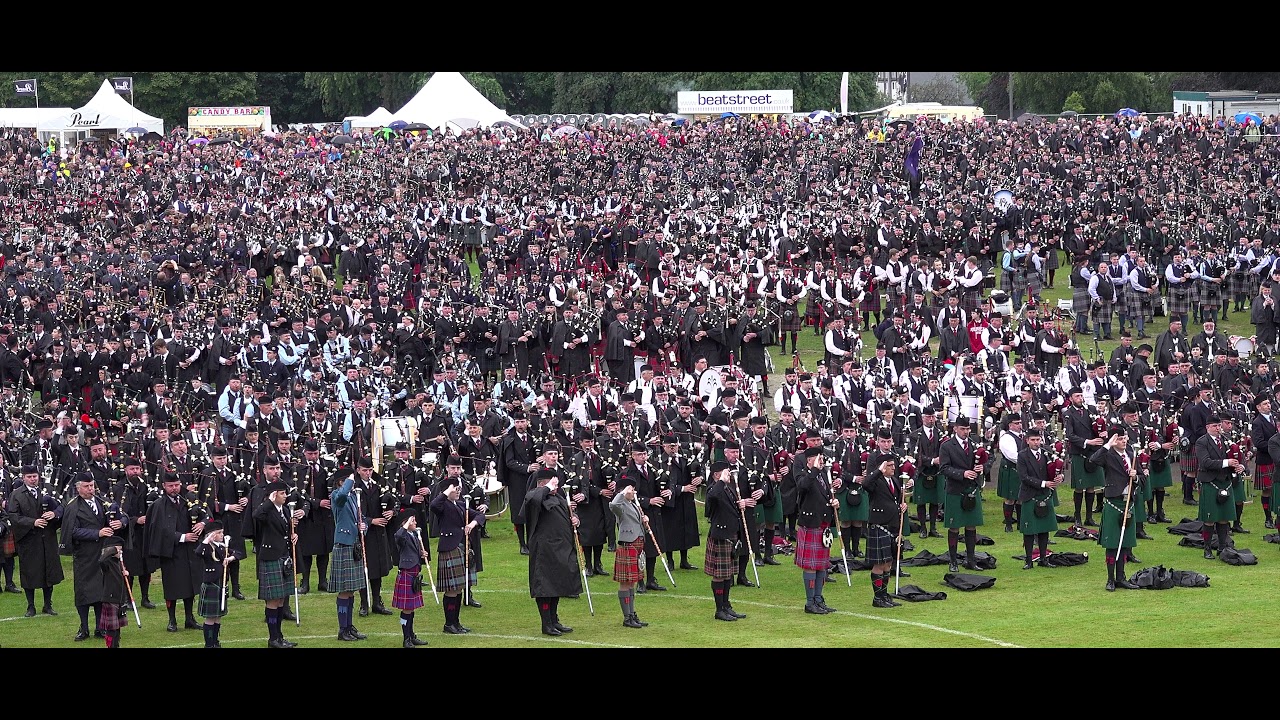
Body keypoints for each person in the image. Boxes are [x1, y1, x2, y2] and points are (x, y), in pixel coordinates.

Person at [60, 472, 121, 641]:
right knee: (83, 593)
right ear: (78, 488)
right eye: (86, 486)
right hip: (84, 556)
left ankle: (100, 627)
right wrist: (97, 533)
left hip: (103, 554)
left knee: (101, 592)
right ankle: (83, 627)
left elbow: (119, 514)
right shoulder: (73, 507)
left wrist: (119, 522)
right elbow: (72, 531)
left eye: (92, 485)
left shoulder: (102, 501)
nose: (90, 489)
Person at [522, 467, 580, 636]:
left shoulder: (559, 497)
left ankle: (554, 620)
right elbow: (534, 500)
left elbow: (570, 514)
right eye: (553, 483)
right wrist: (547, 487)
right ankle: (546, 624)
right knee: (545, 588)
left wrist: (575, 519)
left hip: (560, 548)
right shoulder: (533, 495)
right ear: (543, 483)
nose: (556, 486)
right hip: (544, 550)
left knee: (556, 586)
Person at [144, 471, 205, 632]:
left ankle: (189, 618)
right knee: (172, 588)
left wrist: (202, 524)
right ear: (164, 486)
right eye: (171, 486)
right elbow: (159, 530)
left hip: (190, 552)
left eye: (177, 485)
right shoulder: (158, 506)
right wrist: (183, 537)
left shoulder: (188, 500)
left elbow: (207, 514)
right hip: (171, 553)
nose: (174, 489)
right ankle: (172, 620)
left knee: (190, 587)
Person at [6, 464, 63, 618]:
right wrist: (33, 522)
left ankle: (47, 605)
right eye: (29, 477)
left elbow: (62, 507)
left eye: (35, 476)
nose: (33, 479)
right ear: (23, 478)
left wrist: (55, 514)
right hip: (29, 540)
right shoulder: (16, 495)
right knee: (29, 573)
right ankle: (30, 606)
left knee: (48, 572)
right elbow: (13, 516)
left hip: (48, 539)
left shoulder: (47, 491)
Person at [252, 475, 302, 648]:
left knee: (281, 599)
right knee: (273, 600)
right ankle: (273, 639)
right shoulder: (266, 510)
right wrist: (269, 502)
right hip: (271, 558)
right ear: (273, 495)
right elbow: (256, 516)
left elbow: (286, 530)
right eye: (282, 493)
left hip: (283, 557)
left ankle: (279, 636)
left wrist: (292, 534)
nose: (285, 496)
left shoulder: (285, 510)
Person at [1090, 427, 1141, 591]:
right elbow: (1093, 461)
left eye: (1125, 438)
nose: (1124, 441)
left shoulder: (1131, 455)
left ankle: (1121, 578)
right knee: (1112, 543)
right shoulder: (1108, 456)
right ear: (1114, 441)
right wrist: (1107, 445)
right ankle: (1110, 579)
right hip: (1114, 502)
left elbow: (1143, 478)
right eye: (1120, 439)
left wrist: (1137, 476)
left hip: (1129, 502)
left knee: (1125, 543)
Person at [793, 446, 840, 614]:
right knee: (811, 566)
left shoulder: (822, 474)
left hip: (823, 524)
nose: (822, 461)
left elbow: (826, 495)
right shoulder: (803, 474)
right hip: (810, 524)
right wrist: (814, 470)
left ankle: (819, 599)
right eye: (819, 458)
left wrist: (834, 503)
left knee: (822, 565)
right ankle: (809, 602)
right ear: (809, 460)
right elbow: (803, 487)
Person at [429, 475, 478, 635]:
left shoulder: (461, 505)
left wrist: (472, 523)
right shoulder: (442, 505)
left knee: (458, 589)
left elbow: (479, 515)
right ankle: (449, 624)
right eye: (455, 489)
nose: (458, 491)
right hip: (449, 548)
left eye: (459, 489)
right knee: (451, 590)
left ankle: (456, 622)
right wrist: (447, 490)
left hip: (460, 548)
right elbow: (434, 505)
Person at [703, 459, 748, 621]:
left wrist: (740, 504)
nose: (729, 474)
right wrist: (721, 480)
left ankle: (726, 606)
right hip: (720, 536)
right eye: (726, 472)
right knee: (719, 575)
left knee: (728, 574)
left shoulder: (728, 489)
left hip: (731, 534)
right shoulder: (713, 489)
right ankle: (719, 609)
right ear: (717, 474)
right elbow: (713, 498)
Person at [864, 455, 910, 609]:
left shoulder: (895, 481)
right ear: (882, 467)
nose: (893, 467)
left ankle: (884, 595)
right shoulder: (875, 481)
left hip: (893, 526)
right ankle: (877, 597)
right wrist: (878, 471)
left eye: (893, 465)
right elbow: (865, 484)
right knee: (879, 564)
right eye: (889, 465)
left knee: (888, 564)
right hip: (879, 526)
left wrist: (902, 506)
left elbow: (896, 500)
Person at [328, 465, 368, 642]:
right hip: (343, 545)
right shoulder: (337, 495)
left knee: (351, 590)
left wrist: (363, 526)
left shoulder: (353, 497)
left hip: (354, 545)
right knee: (344, 591)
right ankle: (342, 629)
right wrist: (351, 479)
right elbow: (342, 495)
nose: (353, 483)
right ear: (341, 482)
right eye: (349, 481)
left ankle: (349, 626)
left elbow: (360, 518)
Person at [940, 416, 985, 572]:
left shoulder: (974, 444)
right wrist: (963, 473)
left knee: (971, 526)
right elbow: (944, 469)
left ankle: (971, 560)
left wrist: (980, 469)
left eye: (967, 429)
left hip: (971, 489)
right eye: (962, 429)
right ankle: (953, 561)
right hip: (955, 490)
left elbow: (984, 460)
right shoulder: (947, 446)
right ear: (955, 429)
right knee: (954, 527)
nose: (966, 432)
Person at [1196, 415, 1243, 561]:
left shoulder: (1225, 441)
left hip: (1225, 481)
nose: (1218, 429)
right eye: (1214, 426)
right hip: (1210, 482)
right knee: (1209, 519)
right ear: (1207, 427)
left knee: (1223, 518)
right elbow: (1205, 463)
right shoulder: (1201, 442)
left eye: (1218, 426)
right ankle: (1207, 549)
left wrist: (1238, 466)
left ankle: (1223, 547)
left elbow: (1233, 459)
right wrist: (1226, 462)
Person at [1016, 428, 1062, 569]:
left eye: (1038, 439)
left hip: (1045, 495)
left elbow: (1055, 469)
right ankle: (1029, 560)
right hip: (1030, 495)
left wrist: (1059, 477)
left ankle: (1043, 559)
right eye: (1033, 440)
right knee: (1029, 530)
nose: (1036, 442)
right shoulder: (1022, 456)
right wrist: (1043, 483)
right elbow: (1024, 477)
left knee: (1044, 529)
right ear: (1027, 441)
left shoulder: (1047, 453)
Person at [609, 483, 649, 629]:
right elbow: (612, 505)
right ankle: (627, 618)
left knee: (632, 582)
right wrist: (622, 493)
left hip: (637, 546)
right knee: (625, 582)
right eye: (631, 489)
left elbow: (635, 522)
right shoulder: (620, 505)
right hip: (627, 545)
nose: (634, 492)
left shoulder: (633, 504)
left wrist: (644, 521)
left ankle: (632, 614)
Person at [195, 520, 238, 649]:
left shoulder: (222, 546)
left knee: (218, 616)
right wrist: (207, 540)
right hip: (211, 584)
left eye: (222, 532)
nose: (222, 535)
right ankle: (209, 644)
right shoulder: (207, 547)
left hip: (222, 583)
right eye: (219, 532)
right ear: (212, 534)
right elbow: (198, 552)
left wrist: (230, 558)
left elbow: (238, 553)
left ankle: (215, 641)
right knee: (210, 617)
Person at [391, 510, 429, 647]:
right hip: (406, 574)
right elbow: (398, 536)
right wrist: (406, 523)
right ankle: (406, 638)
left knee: (411, 608)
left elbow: (412, 551)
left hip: (414, 575)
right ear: (405, 523)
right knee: (406, 609)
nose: (416, 523)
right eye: (413, 521)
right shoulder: (402, 535)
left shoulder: (414, 535)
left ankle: (411, 635)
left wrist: (421, 553)